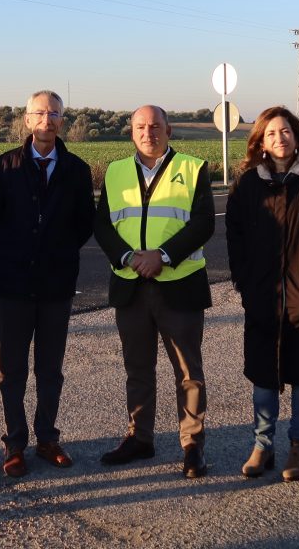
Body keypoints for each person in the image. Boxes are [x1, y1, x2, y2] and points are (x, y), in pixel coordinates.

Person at [93, 104, 215, 479]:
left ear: (169, 130)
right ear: (132, 132)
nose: (149, 132)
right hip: (130, 285)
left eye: (156, 126)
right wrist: (130, 257)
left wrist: (162, 256)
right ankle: (140, 438)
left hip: (179, 285)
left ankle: (192, 445)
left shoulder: (192, 168)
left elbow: (203, 223)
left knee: (187, 371)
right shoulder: (114, 172)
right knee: (137, 368)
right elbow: (102, 225)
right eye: (141, 127)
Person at [225, 106, 299, 482]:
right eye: (272, 133)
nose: (280, 138)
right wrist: (245, 283)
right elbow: (235, 237)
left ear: (297, 137)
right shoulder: (247, 185)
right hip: (262, 295)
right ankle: (262, 444)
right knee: (264, 376)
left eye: (286, 131)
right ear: (260, 141)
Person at [0, 90, 94, 478]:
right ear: (27, 120)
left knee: (50, 369)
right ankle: (14, 445)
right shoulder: (3, 166)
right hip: (13, 282)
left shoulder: (77, 170)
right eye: (40, 113)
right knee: (11, 370)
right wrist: (21, 249)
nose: (48, 119)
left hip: (57, 284)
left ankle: (47, 438)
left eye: (55, 113)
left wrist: (55, 252)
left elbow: (84, 224)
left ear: (63, 121)